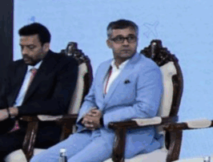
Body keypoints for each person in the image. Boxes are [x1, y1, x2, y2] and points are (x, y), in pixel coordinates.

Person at [32, 20, 163, 162]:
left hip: (126, 135)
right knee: (38, 161)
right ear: (109, 43)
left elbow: (145, 109)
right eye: (119, 39)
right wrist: (86, 116)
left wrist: (103, 119)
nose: (126, 43)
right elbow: (91, 99)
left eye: (130, 38)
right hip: (92, 132)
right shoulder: (103, 67)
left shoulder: (147, 68)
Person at [0, 23, 78, 160]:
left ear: (45, 46)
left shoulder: (64, 64)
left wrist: (14, 111)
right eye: (22, 47)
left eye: (31, 47)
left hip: (39, 127)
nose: (24, 52)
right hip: (7, 125)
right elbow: (3, 98)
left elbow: (58, 104)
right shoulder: (15, 67)